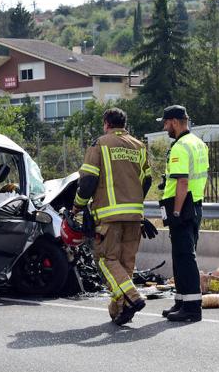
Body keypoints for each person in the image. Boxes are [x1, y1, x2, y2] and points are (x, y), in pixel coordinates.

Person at [72, 108, 152, 325]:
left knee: (106, 260)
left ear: (106, 123)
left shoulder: (100, 144)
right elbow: (147, 180)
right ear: (123, 124)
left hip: (109, 216)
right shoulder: (139, 146)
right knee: (125, 263)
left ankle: (133, 298)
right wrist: (134, 202)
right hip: (135, 215)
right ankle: (120, 309)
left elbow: (88, 180)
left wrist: (77, 206)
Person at [157, 105, 208, 322]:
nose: (165, 127)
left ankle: (192, 308)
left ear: (175, 122)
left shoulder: (180, 146)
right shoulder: (198, 143)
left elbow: (183, 181)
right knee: (181, 255)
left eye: (166, 123)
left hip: (182, 207)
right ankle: (181, 301)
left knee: (185, 257)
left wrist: (176, 211)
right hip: (195, 205)